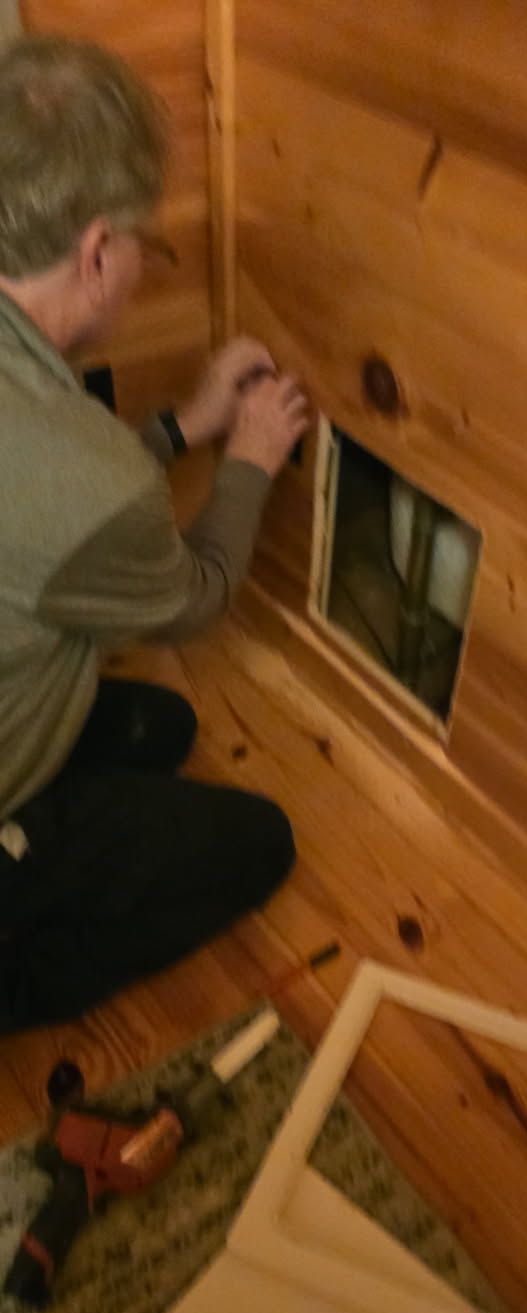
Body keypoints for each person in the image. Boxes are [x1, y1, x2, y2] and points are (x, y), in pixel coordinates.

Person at [0, 34, 309, 1032]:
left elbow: (42, 508)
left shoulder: (50, 436)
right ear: (95, 252)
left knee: (162, 730)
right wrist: (252, 457)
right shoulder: (79, 471)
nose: (142, 268)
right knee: (257, 842)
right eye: (147, 245)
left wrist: (183, 424)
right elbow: (200, 593)